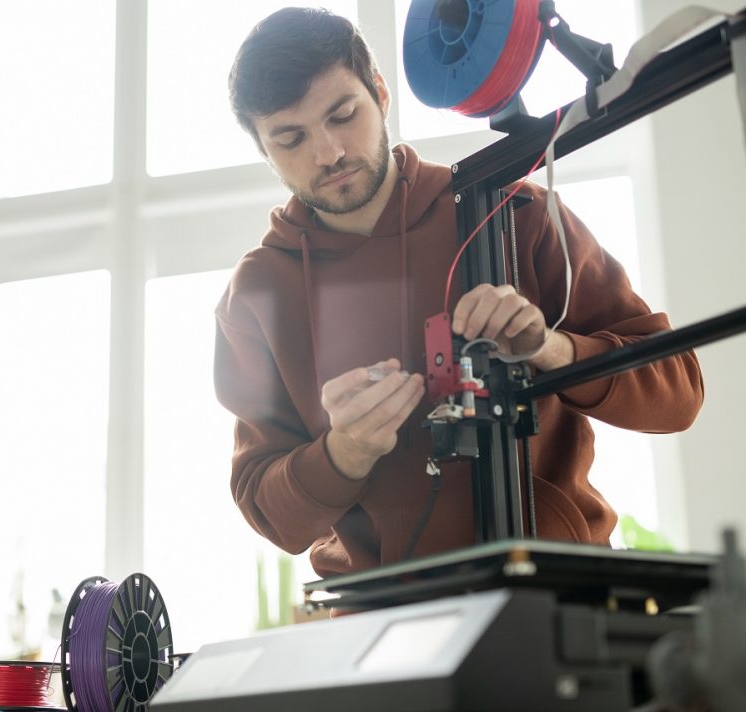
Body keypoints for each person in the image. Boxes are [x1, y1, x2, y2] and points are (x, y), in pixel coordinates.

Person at [213, 7, 704, 578]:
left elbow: (680, 392)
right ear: (264, 151)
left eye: (343, 115)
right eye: (290, 138)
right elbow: (271, 515)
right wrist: (344, 452)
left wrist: (551, 351)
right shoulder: (258, 293)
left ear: (380, 94)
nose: (328, 153)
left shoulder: (514, 210)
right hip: (382, 613)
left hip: (558, 584)